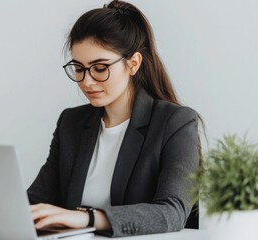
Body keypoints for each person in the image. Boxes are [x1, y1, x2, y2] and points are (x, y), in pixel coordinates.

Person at [28, 0, 200, 237]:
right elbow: (34, 201)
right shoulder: (71, 123)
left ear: (133, 64)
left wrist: (86, 218)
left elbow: (173, 211)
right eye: (79, 68)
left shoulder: (175, 122)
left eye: (100, 68)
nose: (87, 81)